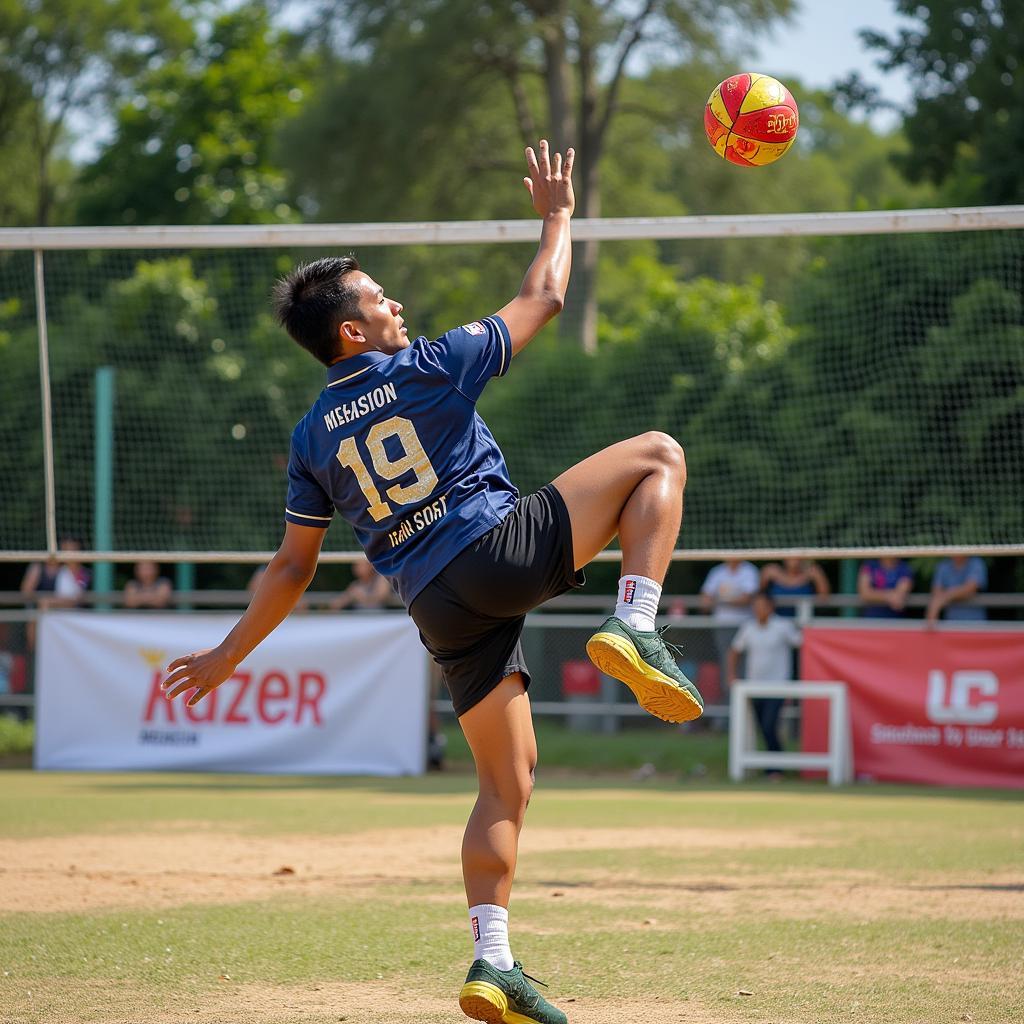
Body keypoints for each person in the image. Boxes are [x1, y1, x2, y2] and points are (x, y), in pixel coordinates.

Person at [160, 140, 702, 1024]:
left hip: (439, 608)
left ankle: (494, 962)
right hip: (493, 550)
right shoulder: (426, 366)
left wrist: (228, 653)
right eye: (379, 299)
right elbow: (545, 296)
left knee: (507, 782)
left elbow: (293, 568)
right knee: (658, 455)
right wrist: (559, 214)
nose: (395, 303)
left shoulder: (309, 438)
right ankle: (636, 621)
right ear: (351, 331)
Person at [727, 592, 801, 774]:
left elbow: (803, 646)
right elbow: (735, 651)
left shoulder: (783, 626)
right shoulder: (748, 627)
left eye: (762, 605)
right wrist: (731, 675)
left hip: (778, 686)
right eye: (756, 605)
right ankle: (774, 765)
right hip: (754, 687)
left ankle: (774, 768)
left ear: (770, 607)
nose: (758, 609)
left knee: (769, 724)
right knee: (763, 727)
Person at [699, 557, 760, 703]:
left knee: (745, 667)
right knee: (727, 668)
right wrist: (732, 599)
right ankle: (728, 709)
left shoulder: (749, 571)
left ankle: (747, 706)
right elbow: (705, 602)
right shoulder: (717, 572)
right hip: (722, 627)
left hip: (744, 627)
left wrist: (719, 600)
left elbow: (746, 599)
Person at [760, 557, 830, 618]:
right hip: (776, 622)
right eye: (790, 557)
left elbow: (823, 598)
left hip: (804, 621)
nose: (793, 560)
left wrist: (817, 575)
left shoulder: (811, 573)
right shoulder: (772, 572)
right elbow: (759, 598)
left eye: (796, 557)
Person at [926, 555, 988, 624]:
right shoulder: (943, 565)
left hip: (975, 624)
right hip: (950, 624)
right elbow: (936, 592)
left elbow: (970, 589)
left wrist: (944, 597)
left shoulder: (976, 563)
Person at [328, 556, 393, 610]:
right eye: (356, 565)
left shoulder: (381, 579)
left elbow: (382, 596)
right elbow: (338, 603)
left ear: (370, 566)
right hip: (360, 620)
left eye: (360, 565)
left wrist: (363, 598)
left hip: (379, 619)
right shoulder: (356, 585)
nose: (356, 568)